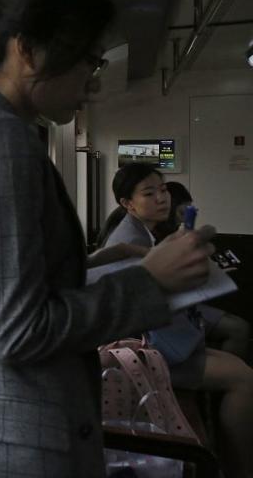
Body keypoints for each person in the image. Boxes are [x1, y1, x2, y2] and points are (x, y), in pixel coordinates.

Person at [0, 0, 216, 478]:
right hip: (15, 441)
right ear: (28, 50)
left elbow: (5, 286)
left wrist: (104, 259)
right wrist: (151, 281)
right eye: (87, 61)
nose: (93, 80)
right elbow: (17, 332)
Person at [102, 166, 253, 477]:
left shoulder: (143, 232)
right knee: (245, 380)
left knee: (240, 359)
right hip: (150, 350)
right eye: (149, 193)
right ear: (127, 203)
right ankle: (238, 466)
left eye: (163, 190)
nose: (161, 198)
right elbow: (134, 307)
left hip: (168, 339)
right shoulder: (130, 240)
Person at [152, 181, 249, 360]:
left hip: (180, 305)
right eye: (181, 212)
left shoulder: (168, 236)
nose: (183, 220)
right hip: (170, 312)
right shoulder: (146, 239)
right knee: (238, 329)